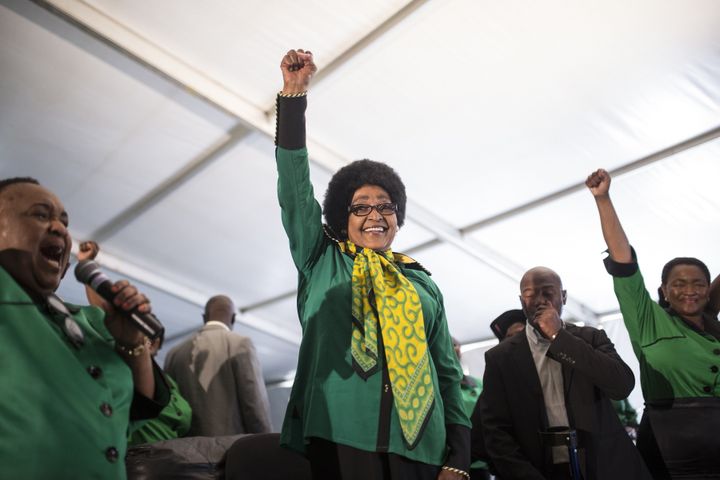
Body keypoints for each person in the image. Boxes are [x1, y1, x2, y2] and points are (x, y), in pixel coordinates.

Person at [274, 49, 470, 480]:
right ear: (341, 219)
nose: (375, 215)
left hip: (422, 448)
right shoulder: (321, 257)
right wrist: (293, 98)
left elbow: (447, 374)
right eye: (360, 208)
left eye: (385, 206)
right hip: (341, 439)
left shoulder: (422, 283)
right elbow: (293, 189)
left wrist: (458, 456)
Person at [0, 177, 169, 479]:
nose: (60, 228)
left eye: (64, 222)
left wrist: (132, 341)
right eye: (41, 215)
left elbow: (133, 411)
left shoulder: (89, 320)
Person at [586, 168, 720, 478]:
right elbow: (623, 261)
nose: (690, 290)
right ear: (663, 290)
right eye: (679, 283)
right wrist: (603, 199)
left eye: (698, 283)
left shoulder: (713, 327)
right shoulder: (648, 320)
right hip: (669, 447)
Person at [478, 266, 651, 479]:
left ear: (564, 297)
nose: (540, 300)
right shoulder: (500, 357)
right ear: (522, 301)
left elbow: (621, 385)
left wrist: (559, 337)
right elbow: (495, 430)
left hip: (601, 465)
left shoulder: (591, 338)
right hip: (539, 469)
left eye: (548, 292)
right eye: (530, 295)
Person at [164, 294, 272, 436]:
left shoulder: (174, 353)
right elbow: (255, 406)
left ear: (204, 317)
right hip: (230, 452)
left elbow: (168, 408)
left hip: (184, 452)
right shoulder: (240, 345)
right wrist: (267, 445)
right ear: (233, 318)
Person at [452, 338, 490, 480]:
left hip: (480, 460)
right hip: (452, 460)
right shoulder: (437, 386)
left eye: (455, 344)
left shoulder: (478, 384)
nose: (453, 349)